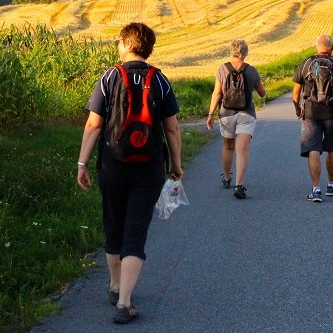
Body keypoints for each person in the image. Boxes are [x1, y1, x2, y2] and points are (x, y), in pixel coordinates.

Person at [77, 22, 183, 324]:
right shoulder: (160, 80)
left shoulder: (109, 77)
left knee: (114, 226)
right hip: (149, 168)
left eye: (118, 41)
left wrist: (82, 163)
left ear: (126, 43)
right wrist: (176, 165)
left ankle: (114, 285)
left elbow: (93, 125)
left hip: (112, 165)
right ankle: (125, 302)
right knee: (135, 232)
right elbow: (172, 128)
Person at [292, 34, 333, 202]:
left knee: (313, 148)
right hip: (332, 113)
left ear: (316, 48)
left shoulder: (306, 63)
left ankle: (316, 189)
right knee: (332, 147)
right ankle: (332, 185)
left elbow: (296, 93)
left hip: (311, 112)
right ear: (331, 48)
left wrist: (298, 108)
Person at [206, 39, 267, 199]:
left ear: (231, 51)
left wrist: (211, 113)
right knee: (242, 149)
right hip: (246, 114)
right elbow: (262, 93)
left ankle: (226, 178)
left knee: (228, 146)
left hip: (227, 114)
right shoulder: (252, 71)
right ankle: (239, 186)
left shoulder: (222, 69)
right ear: (246, 52)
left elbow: (217, 93)